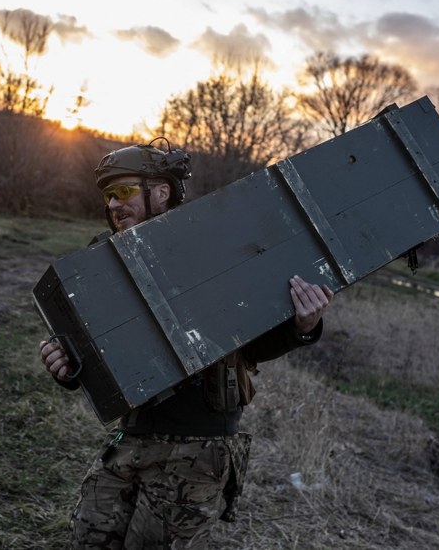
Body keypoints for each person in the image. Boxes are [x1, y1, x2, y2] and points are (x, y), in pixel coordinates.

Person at [39, 140, 333, 549]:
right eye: (108, 196)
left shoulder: (217, 253)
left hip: (197, 449)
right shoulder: (103, 263)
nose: (113, 205)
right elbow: (92, 355)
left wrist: (302, 325)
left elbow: (250, 346)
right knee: (87, 538)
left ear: (160, 192)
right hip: (132, 438)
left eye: (123, 192)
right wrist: (67, 366)